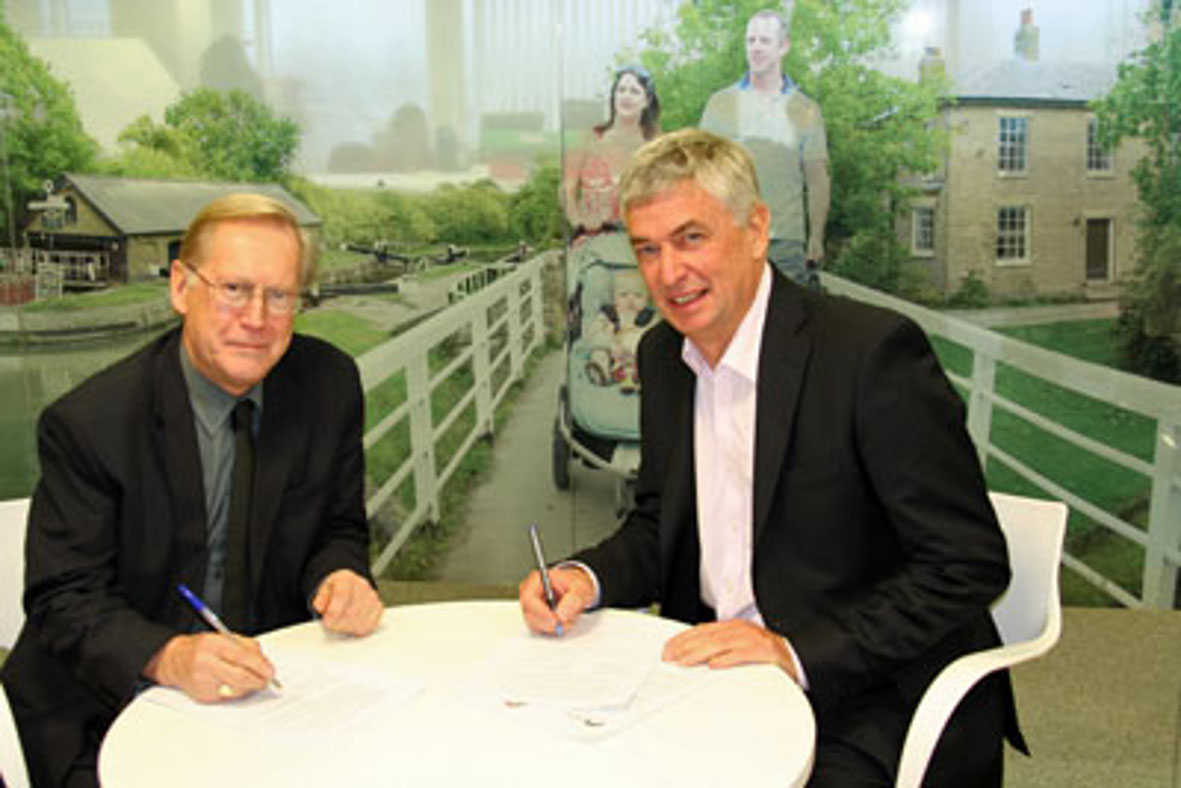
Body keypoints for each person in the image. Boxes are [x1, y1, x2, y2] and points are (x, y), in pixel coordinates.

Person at [519, 129, 1022, 786]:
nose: (668, 273)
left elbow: (966, 563)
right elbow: (661, 525)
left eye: (691, 238)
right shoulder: (663, 358)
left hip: (867, 687)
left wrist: (792, 651)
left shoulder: (869, 355)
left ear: (756, 230)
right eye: (648, 248)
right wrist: (586, 576)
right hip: (718, 669)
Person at [2, 193, 384, 788]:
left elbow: (338, 527)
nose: (256, 318)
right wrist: (170, 657)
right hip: (106, 710)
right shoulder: (91, 423)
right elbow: (64, 600)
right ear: (182, 287)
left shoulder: (328, 385)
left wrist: (340, 576)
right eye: (234, 289)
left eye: (279, 295)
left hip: (266, 698)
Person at [700, 7, 829, 288]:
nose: (756, 48)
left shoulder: (805, 110)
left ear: (783, 47)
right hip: (731, 236)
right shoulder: (720, 104)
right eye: (751, 40)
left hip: (785, 242)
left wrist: (816, 236)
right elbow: (702, 173)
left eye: (765, 41)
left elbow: (817, 180)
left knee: (784, 315)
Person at [562, 65, 661, 242]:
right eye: (621, 90)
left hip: (640, 240)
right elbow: (567, 189)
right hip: (591, 240)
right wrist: (578, 223)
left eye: (634, 91)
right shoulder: (587, 138)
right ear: (613, 96)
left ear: (646, 100)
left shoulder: (656, 147)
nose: (626, 96)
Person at [584, 268, 656, 392]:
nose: (630, 300)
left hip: (635, 355)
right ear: (614, 298)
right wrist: (609, 343)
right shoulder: (609, 315)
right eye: (623, 295)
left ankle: (637, 378)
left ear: (647, 299)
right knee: (598, 351)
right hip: (612, 353)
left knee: (652, 353)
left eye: (638, 295)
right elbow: (593, 333)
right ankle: (602, 371)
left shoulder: (649, 317)